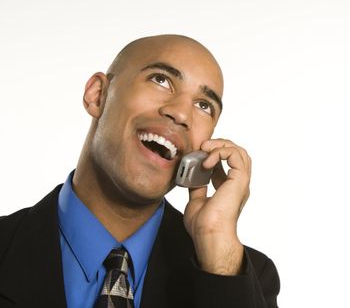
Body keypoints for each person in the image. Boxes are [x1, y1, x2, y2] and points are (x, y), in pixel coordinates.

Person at [0, 34, 280, 308]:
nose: (181, 114)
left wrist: (217, 256)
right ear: (98, 95)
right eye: (161, 80)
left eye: (203, 105)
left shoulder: (243, 277)